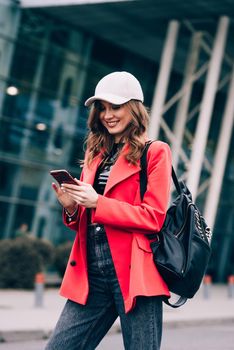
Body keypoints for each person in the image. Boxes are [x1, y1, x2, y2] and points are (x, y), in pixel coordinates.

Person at [45, 71, 172, 350]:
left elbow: (154, 217)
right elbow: (88, 216)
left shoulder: (155, 152)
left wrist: (98, 203)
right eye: (102, 108)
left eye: (115, 107)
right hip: (92, 272)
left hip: (134, 273)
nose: (107, 115)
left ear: (134, 108)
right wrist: (71, 209)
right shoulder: (96, 154)